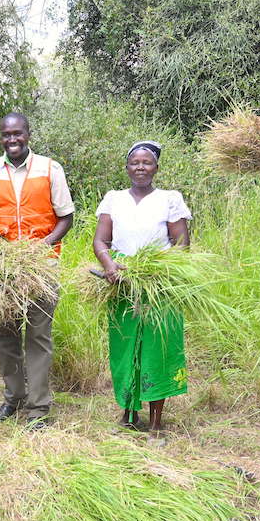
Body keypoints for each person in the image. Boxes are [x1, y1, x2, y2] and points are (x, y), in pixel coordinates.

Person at [0, 112, 74, 428]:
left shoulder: (50, 169)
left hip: (41, 267)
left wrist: (43, 246)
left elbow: (66, 217)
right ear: (1, 137)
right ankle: (13, 398)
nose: (12, 139)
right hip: (1, 269)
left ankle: (38, 408)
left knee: (38, 336)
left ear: (28, 134)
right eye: (6, 134)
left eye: (18, 133)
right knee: (6, 335)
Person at [93, 141, 191, 439]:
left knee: (157, 350)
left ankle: (157, 421)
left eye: (146, 162)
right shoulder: (114, 199)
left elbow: (182, 245)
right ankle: (129, 412)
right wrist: (110, 265)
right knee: (126, 348)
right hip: (121, 285)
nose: (140, 167)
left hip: (158, 287)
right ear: (127, 168)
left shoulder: (169, 199)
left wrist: (156, 270)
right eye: (134, 162)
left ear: (156, 168)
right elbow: (100, 241)